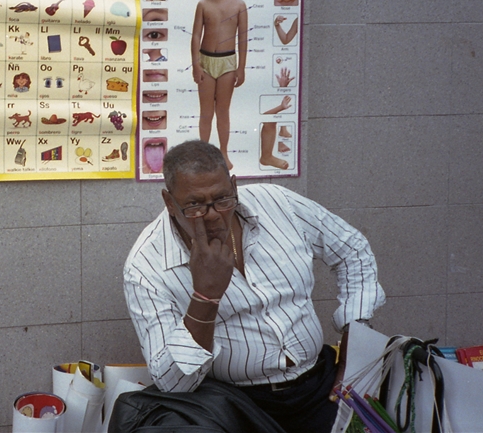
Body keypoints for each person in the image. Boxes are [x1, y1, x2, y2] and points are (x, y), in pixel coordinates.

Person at [123, 140, 385, 433]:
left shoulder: (276, 203)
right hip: (234, 403)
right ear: (170, 202)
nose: (212, 215)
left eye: (222, 199)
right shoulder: (146, 265)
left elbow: (352, 249)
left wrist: (355, 338)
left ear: (234, 186)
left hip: (318, 385)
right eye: (195, 205)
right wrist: (205, 297)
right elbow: (173, 383)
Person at [191, 0, 247, 169]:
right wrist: (196, 64)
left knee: (223, 110)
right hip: (206, 60)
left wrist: (241, 68)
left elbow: (242, 37)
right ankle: (203, 152)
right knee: (206, 111)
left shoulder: (239, 5)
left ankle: (223, 152)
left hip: (227, 63)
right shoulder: (203, 4)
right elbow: (196, 35)